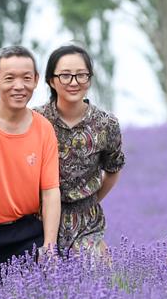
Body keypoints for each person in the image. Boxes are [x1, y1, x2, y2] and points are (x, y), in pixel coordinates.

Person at [0, 45, 60, 280]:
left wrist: (49, 246)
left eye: (27, 78)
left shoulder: (43, 129)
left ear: (36, 80)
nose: (19, 86)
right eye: (9, 78)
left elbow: (50, 192)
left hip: (26, 233)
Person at [37, 44, 125, 259]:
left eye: (81, 75)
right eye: (65, 76)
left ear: (90, 79)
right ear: (51, 80)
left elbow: (113, 169)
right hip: (40, 219)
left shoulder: (106, 123)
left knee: (90, 282)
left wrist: (92, 200)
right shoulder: (37, 121)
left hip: (87, 222)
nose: (74, 82)